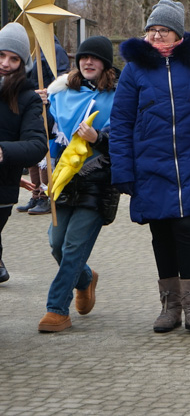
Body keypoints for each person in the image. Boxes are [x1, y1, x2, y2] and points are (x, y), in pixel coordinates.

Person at [111, 0, 190, 334]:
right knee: (161, 232)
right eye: (151, 30)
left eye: (162, 30)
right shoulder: (134, 70)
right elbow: (120, 123)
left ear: (177, 34)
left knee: (186, 230)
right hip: (149, 165)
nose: (155, 36)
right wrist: (122, 170)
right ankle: (170, 306)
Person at [37, 36, 119, 332]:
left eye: (94, 58)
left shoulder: (118, 96)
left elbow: (126, 138)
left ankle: (57, 310)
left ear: (105, 64)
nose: (87, 62)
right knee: (56, 244)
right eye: (83, 57)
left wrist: (99, 138)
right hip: (64, 180)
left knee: (73, 247)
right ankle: (85, 279)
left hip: (98, 181)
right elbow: (47, 133)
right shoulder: (62, 94)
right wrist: (41, 107)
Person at [0, 23, 49, 284]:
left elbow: (36, 146)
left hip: (1, 187)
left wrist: (3, 151)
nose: (6, 63)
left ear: (22, 63)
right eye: (1, 55)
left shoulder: (28, 98)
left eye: (13, 58)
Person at [17, 35, 70, 216]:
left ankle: (48, 196)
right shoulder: (32, 50)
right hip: (33, 106)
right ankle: (37, 194)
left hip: (48, 106)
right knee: (32, 150)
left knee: (45, 150)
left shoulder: (55, 50)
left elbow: (63, 77)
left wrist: (49, 91)